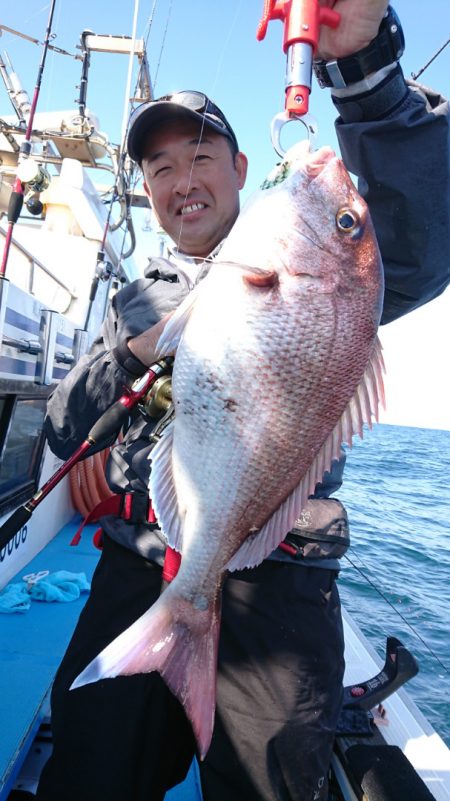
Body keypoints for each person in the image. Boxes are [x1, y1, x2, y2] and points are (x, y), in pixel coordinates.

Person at [36, 2, 450, 800]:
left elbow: (418, 238)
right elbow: (60, 424)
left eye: (199, 156)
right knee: (89, 770)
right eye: (159, 170)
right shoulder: (134, 301)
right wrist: (135, 352)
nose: (181, 181)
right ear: (148, 193)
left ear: (239, 166)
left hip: (280, 579)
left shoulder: (315, 276)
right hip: (143, 564)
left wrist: (364, 73)